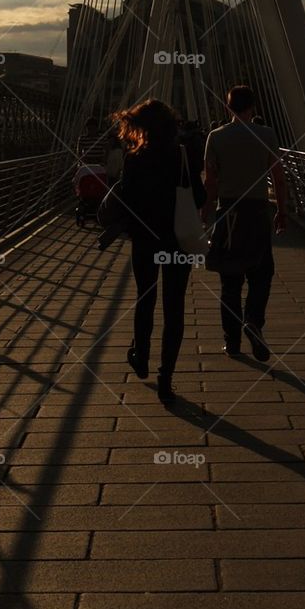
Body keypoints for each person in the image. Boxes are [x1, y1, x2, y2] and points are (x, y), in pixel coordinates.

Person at [113, 98, 204, 404]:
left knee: (145, 298)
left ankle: (141, 356)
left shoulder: (134, 158)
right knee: (174, 307)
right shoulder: (183, 156)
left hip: (145, 240)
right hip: (176, 241)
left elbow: (126, 200)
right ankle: (166, 377)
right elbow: (200, 197)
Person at [202, 85, 286, 362]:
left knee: (230, 280)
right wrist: (281, 211)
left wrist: (207, 211)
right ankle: (253, 321)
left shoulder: (216, 137)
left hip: (229, 212)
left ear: (228, 108)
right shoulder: (267, 134)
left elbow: (211, 181)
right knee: (262, 274)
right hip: (258, 211)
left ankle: (232, 340)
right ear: (253, 107)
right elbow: (278, 176)